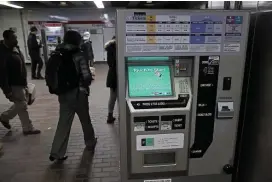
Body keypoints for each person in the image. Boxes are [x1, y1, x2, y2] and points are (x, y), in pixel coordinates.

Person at [48, 30, 97, 162]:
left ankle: (57, 152)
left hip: (63, 94)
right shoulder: (78, 54)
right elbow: (86, 76)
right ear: (77, 40)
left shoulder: (57, 53)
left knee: (63, 122)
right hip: (78, 93)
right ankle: (90, 142)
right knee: (85, 119)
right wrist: (87, 84)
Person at [0, 29, 41, 135]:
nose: (16, 39)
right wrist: (7, 90)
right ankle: (28, 128)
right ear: (6, 39)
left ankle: (4, 117)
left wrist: (25, 82)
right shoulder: (2, 53)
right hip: (12, 84)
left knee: (20, 104)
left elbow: (22, 64)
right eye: (13, 38)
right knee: (22, 105)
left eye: (16, 37)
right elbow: (2, 74)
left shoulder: (15, 48)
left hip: (20, 82)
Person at [105, 36, 117, 124]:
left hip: (113, 75)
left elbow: (110, 63)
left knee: (113, 96)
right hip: (116, 75)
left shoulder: (110, 48)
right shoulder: (115, 48)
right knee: (118, 96)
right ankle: (110, 115)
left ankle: (110, 115)